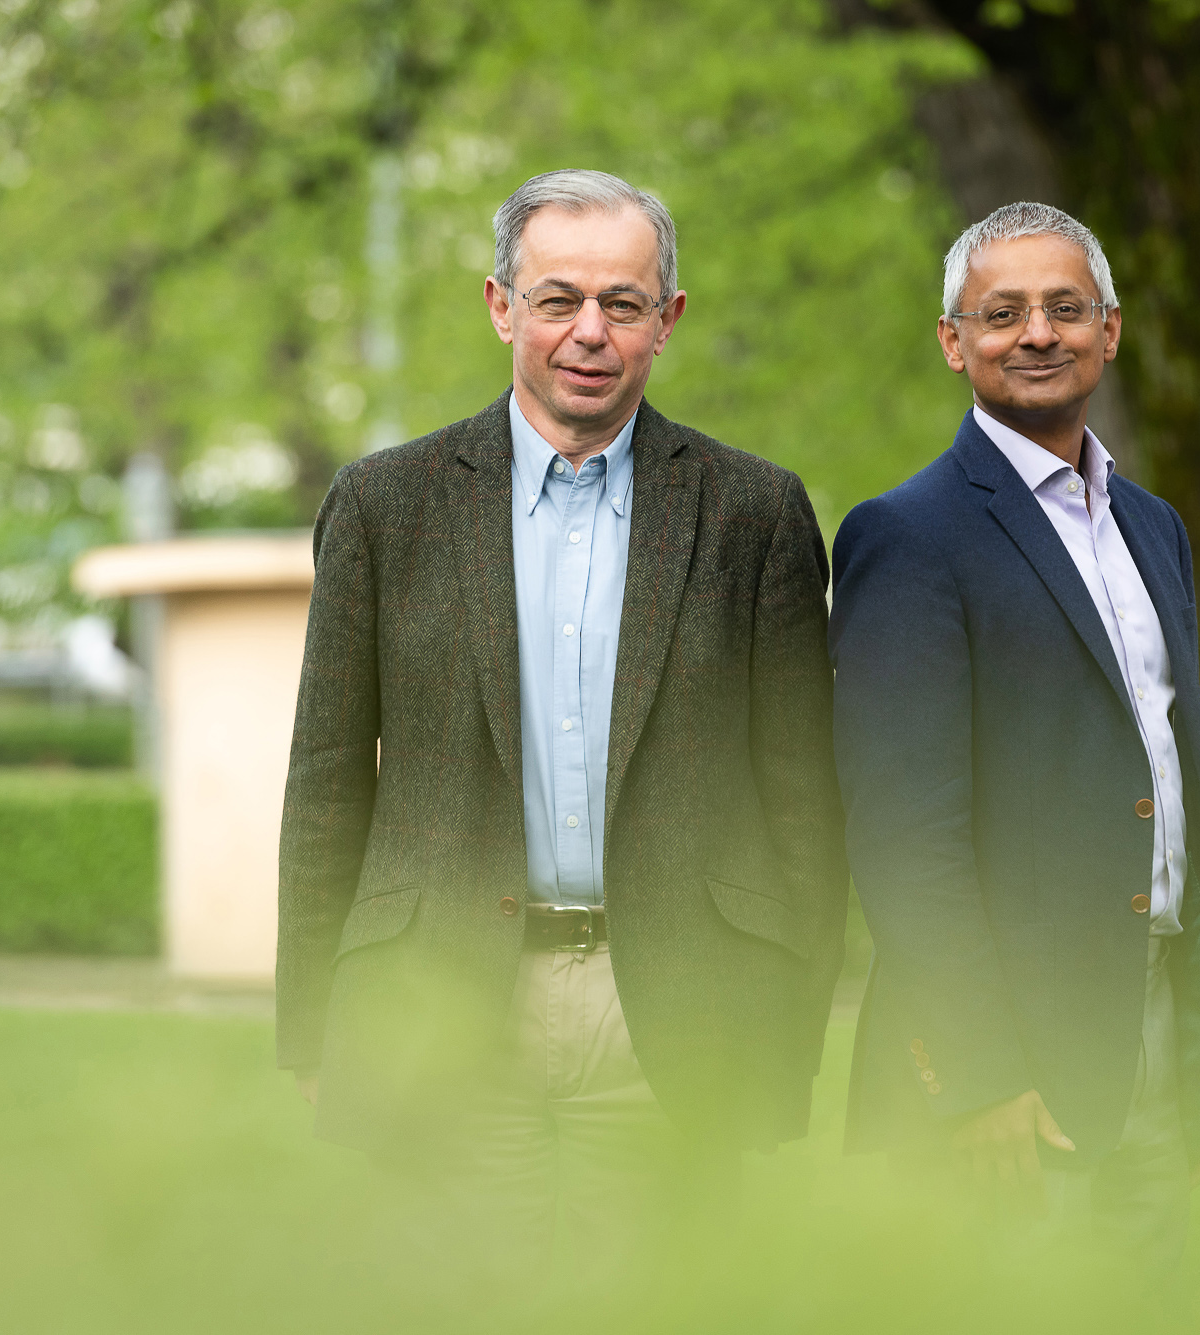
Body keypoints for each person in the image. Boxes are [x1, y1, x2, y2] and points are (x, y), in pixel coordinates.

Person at [275, 169, 849, 1262]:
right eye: (557, 299)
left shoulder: (752, 514)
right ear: (502, 306)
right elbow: (327, 781)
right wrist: (312, 1027)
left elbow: (804, 801)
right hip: (441, 1009)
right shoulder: (382, 506)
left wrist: (783, 1029)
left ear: (665, 320)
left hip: (676, 1021)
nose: (588, 331)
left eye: (622, 304)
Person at [829, 201, 1200, 1265]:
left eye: (1064, 307)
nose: (1036, 333)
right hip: (1007, 1064)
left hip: (1145, 1031)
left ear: (1110, 329)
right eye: (1000, 312)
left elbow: (1168, 777)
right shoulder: (904, 537)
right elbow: (901, 831)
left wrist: (1193, 1067)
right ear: (952, 342)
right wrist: (977, 1073)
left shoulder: (1153, 528)